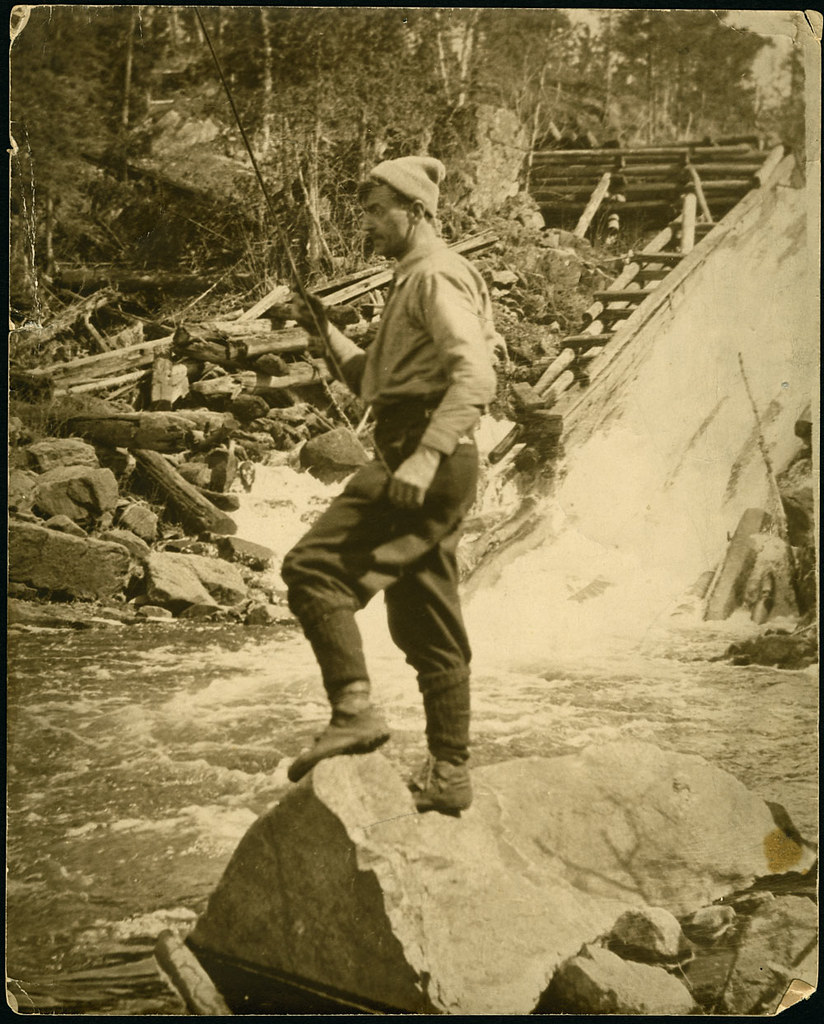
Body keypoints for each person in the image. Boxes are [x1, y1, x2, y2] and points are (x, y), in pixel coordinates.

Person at [282, 155, 499, 816]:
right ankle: (450, 771)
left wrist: (424, 457)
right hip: (427, 448)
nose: (369, 223)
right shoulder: (416, 279)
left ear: (418, 210)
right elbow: (375, 386)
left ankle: (354, 712)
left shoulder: (434, 277)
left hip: (425, 450)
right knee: (423, 610)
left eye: (380, 210)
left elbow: (477, 378)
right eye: (368, 211)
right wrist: (328, 333)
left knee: (313, 567)